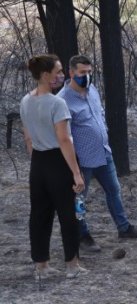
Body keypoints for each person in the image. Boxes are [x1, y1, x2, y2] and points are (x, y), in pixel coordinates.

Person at [57, 55, 137, 253]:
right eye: (82, 73)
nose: (87, 76)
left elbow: (99, 116)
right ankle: (82, 235)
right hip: (82, 159)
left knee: (114, 190)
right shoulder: (62, 100)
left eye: (89, 72)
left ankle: (124, 228)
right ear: (71, 73)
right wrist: (73, 166)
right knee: (79, 199)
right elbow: (63, 136)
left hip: (103, 153)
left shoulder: (92, 91)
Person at [20, 54, 88, 279]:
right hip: (58, 162)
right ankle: (72, 265)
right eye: (58, 72)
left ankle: (41, 265)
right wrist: (76, 173)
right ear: (45, 75)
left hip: (38, 163)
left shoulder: (25, 101)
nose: (61, 76)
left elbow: (28, 138)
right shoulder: (57, 103)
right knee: (68, 214)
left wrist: (37, 163)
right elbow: (64, 139)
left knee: (39, 215)